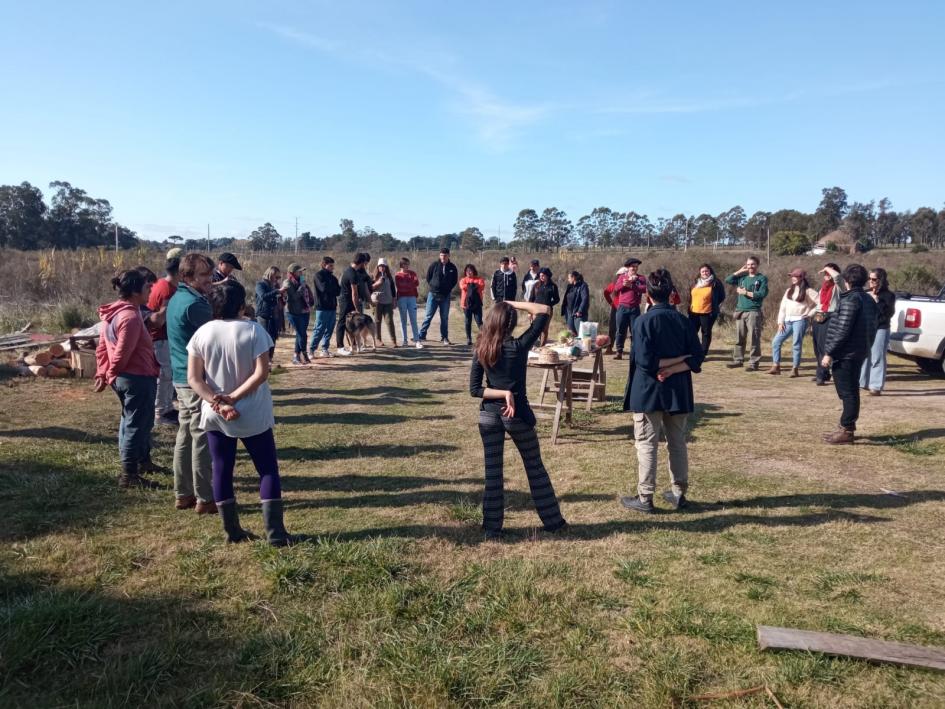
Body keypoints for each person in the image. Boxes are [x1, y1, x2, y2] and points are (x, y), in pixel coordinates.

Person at [186, 280, 296, 546]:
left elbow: (194, 378)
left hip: (216, 413)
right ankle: (276, 534)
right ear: (240, 304)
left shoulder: (202, 333)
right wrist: (234, 398)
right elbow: (261, 373)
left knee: (222, 470)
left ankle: (232, 532)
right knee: (267, 470)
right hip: (252, 412)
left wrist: (219, 402)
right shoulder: (254, 331)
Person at [469, 300, 569, 539]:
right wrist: (510, 303)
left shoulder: (481, 347)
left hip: (489, 416)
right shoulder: (519, 346)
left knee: (493, 473)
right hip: (517, 416)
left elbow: (475, 389)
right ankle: (553, 522)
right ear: (512, 324)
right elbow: (544, 310)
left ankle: (492, 528)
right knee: (534, 467)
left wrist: (500, 393)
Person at [621, 270, 704, 513]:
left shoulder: (643, 321)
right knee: (677, 442)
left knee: (647, 444)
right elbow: (696, 358)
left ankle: (645, 497)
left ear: (648, 295)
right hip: (678, 390)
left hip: (649, 392)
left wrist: (667, 367)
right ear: (671, 294)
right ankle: (678, 493)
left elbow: (646, 363)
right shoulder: (683, 321)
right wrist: (679, 362)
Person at [94, 269, 160, 489]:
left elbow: (103, 349)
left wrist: (104, 373)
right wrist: (110, 373)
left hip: (129, 377)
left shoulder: (114, 313)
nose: (150, 289)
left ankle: (141, 463)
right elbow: (121, 353)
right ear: (134, 291)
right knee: (134, 424)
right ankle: (129, 474)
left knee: (134, 421)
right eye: (146, 286)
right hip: (135, 378)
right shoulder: (130, 317)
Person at [166, 253, 216, 513]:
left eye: (210, 274)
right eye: (204, 275)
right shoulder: (196, 305)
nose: (210, 280)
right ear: (187, 277)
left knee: (185, 434)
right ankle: (205, 498)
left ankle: (183, 493)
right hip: (194, 379)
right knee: (201, 435)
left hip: (180, 376)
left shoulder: (178, 298)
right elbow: (212, 341)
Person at [821, 264, 878, 445]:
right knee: (851, 390)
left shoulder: (850, 300)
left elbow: (842, 330)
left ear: (847, 281)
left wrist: (829, 352)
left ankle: (847, 429)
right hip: (859, 350)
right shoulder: (868, 300)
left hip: (846, 353)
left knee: (848, 392)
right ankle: (846, 426)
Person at [147, 251, 181, 425]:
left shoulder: (166, 285)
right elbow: (160, 319)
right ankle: (160, 412)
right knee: (164, 374)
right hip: (160, 338)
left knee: (168, 374)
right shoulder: (167, 290)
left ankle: (167, 407)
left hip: (165, 338)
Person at [768, 269, 819, 377]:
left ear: (802, 278)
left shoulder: (809, 291)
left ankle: (795, 368)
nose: (793, 278)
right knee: (776, 342)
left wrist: (810, 313)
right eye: (792, 276)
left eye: (796, 276)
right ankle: (776, 366)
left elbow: (821, 303)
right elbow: (783, 307)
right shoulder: (788, 291)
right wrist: (780, 322)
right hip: (787, 321)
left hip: (800, 320)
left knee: (796, 344)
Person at [725, 256, 769, 371]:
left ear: (757, 265)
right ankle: (738, 360)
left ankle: (754, 363)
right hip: (740, 311)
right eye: (748, 264)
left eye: (753, 264)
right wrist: (739, 271)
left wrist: (746, 293)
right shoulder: (742, 278)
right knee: (739, 338)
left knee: (754, 338)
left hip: (753, 312)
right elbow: (728, 280)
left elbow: (761, 294)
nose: (750, 267)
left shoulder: (761, 278)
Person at [860, 268, 896, 395]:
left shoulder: (888, 295)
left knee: (877, 357)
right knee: (864, 355)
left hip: (881, 328)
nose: (871, 281)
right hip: (866, 327)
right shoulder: (866, 293)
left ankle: (875, 386)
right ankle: (862, 382)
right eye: (869, 279)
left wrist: (876, 301)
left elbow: (889, 314)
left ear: (880, 280)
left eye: (874, 279)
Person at [811, 263, 847, 385]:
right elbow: (819, 303)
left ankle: (820, 375)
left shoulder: (839, 287)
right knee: (817, 348)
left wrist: (827, 268)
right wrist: (811, 314)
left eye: (828, 273)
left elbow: (838, 277)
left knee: (824, 348)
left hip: (831, 318)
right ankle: (825, 372)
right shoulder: (824, 287)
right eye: (825, 273)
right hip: (819, 318)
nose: (826, 275)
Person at [419, 247, 459, 345]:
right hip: (433, 294)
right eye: (441, 255)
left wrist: (448, 289)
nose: (443, 257)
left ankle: (444, 337)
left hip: (445, 296)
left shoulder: (452, 267)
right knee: (428, 316)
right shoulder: (434, 265)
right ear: (439, 255)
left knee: (444, 317)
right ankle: (421, 335)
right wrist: (434, 286)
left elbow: (454, 280)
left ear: (448, 256)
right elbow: (428, 277)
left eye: (445, 255)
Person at [335, 253, 370, 356]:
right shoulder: (352, 273)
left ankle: (354, 346)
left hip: (348, 299)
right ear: (362, 263)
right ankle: (340, 347)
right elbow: (354, 293)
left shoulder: (350, 270)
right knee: (342, 323)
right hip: (345, 300)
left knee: (352, 323)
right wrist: (357, 307)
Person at [687, 264, 726, 355]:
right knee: (691, 332)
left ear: (710, 271)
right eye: (703, 271)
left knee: (706, 333)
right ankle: (694, 350)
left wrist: (714, 305)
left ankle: (703, 352)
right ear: (700, 273)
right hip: (694, 312)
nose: (705, 273)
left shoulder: (716, 283)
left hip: (708, 313)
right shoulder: (695, 282)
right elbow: (690, 295)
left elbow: (722, 296)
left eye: (706, 271)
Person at [613, 258, 647, 360]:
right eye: (633, 266)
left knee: (635, 331)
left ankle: (635, 352)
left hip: (634, 308)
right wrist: (624, 284)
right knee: (620, 330)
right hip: (622, 307)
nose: (635, 268)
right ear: (628, 267)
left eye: (636, 267)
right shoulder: (622, 277)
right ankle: (619, 351)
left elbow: (644, 289)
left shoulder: (641, 278)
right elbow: (616, 288)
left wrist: (632, 285)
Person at [309, 256, 340, 358]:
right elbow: (323, 288)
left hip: (332, 306)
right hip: (322, 307)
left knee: (330, 329)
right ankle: (311, 350)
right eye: (330, 265)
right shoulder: (318, 275)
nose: (332, 268)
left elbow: (338, 291)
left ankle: (324, 349)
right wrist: (332, 288)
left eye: (333, 266)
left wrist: (332, 288)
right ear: (324, 265)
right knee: (319, 329)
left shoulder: (333, 277)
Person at [282, 263, 312, 365]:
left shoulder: (301, 281)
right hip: (293, 312)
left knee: (301, 334)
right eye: (299, 271)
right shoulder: (287, 282)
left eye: (302, 271)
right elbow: (294, 297)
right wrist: (302, 287)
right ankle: (303, 354)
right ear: (293, 272)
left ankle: (296, 356)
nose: (301, 273)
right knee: (302, 334)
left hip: (304, 311)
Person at [255, 266, 285, 362]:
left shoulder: (274, 286)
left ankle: (269, 360)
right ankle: (263, 361)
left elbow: (278, 300)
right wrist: (276, 291)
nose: (277, 280)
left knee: (272, 338)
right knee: (264, 339)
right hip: (263, 315)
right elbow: (263, 296)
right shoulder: (260, 284)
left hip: (274, 315)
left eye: (279, 277)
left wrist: (282, 296)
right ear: (270, 275)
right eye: (276, 277)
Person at [395, 257, 422, 348]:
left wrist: (407, 285)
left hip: (412, 298)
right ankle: (404, 341)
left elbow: (417, 283)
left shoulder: (412, 273)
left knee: (413, 319)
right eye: (405, 264)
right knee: (403, 320)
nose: (407, 266)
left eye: (407, 264)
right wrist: (410, 285)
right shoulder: (397, 275)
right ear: (401, 265)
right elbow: (400, 287)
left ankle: (417, 340)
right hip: (401, 298)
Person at [528, 267, 560, 346]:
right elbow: (531, 298)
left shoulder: (553, 286)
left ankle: (542, 347)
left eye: (543, 276)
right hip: (536, 310)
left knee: (544, 329)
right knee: (535, 328)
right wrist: (529, 312)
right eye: (540, 275)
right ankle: (533, 345)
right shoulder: (536, 285)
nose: (541, 277)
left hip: (547, 311)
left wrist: (549, 304)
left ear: (547, 276)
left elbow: (557, 299)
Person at [371, 258, 398, 346]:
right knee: (377, 321)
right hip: (377, 302)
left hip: (388, 302)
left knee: (389, 321)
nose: (382, 268)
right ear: (378, 267)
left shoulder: (389, 277)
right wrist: (377, 283)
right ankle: (378, 339)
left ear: (386, 267)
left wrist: (394, 300)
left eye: (384, 266)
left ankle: (394, 341)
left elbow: (393, 290)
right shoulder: (373, 277)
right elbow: (369, 288)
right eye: (380, 266)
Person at [459, 264, 486, 346]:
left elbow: (481, 286)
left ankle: (484, 338)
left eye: (470, 270)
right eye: (467, 271)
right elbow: (462, 287)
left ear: (474, 271)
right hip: (466, 304)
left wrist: (470, 285)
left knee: (479, 321)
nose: (469, 272)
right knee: (468, 321)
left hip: (477, 304)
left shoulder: (479, 279)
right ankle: (468, 338)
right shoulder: (463, 280)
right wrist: (474, 285)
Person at [602, 267, 626, 355]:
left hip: (624, 308)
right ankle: (609, 347)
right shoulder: (614, 284)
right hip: (616, 308)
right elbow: (606, 292)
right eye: (622, 275)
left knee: (622, 329)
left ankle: (619, 349)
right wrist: (611, 303)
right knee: (613, 328)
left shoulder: (628, 284)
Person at [561, 271, 590, 336]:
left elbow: (585, 299)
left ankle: (581, 346)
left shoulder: (583, 286)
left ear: (573, 278)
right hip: (569, 312)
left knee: (581, 333)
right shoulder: (570, 286)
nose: (568, 280)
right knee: (571, 333)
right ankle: (573, 346)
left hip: (578, 313)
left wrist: (580, 311)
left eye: (569, 278)